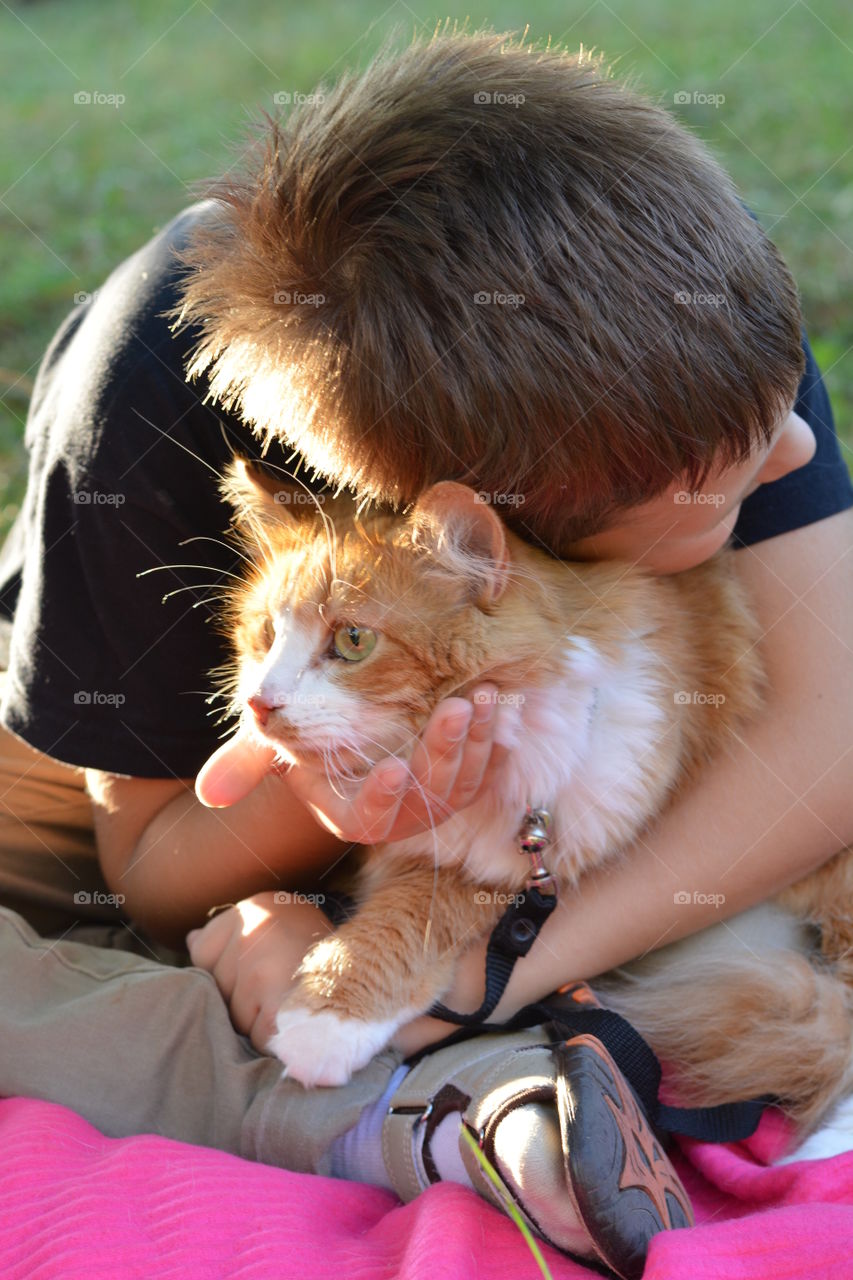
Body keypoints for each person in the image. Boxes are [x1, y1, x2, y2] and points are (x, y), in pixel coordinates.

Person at [0, 29, 850, 1279]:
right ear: (498, 536)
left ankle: (472, 1052)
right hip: (167, 786)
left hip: (534, 788)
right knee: (96, 952)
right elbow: (150, 864)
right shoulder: (138, 406)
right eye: (718, 490)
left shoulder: (690, 334)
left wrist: (482, 973)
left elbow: (829, 728)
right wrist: (332, 797)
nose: (787, 453)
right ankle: (437, 1103)